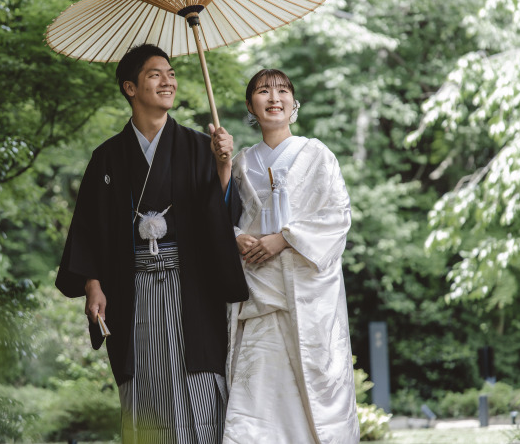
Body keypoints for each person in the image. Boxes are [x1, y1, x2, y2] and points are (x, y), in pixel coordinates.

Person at [55, 44, 248, 443]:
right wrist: (93, 285)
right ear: (130, 87)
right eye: (155, 74)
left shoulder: (201, 147)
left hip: (190, 288)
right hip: (131, 289)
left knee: (201, 389)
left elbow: (225, 217)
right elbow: (88, 229)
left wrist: (224, 166)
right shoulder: (107, 157)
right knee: (145, 387)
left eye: (172, 73)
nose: (169, 81)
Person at [223, 68, 359, 444]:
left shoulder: (317, 155)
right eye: (263, 91)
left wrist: (283, 239)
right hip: (259, 290)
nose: (273, 97)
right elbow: (221, 218)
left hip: (306, 289)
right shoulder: (238, 163)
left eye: (282, 90)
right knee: (258, 391)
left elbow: (337, 215)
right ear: (251, 106)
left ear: (293, 104)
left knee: (309, 388)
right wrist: (237, 238)